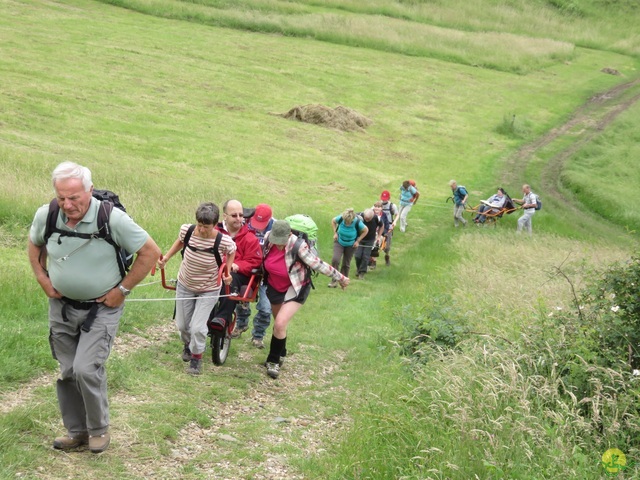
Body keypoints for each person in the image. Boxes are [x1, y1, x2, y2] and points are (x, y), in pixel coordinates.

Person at [27, 161, 161, 453]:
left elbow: (150, 252)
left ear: (90, 190)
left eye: (74, 197)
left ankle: (98, 429)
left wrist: (122, 290)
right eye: (61, 197)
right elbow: (35, 244)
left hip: (102, 308)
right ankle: (76, 432)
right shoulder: (47, 214)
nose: (67, 204)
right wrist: (42, 278)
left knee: (86, 368)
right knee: (67, 371)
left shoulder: (111, 219)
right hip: (61, 306)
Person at [262, 220, 349, 379]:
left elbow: (318, 264)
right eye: (276, 241)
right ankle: (282, 352)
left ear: (289, 235)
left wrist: (340, 277)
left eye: (282, 242)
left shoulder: (298, 246)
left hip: (295, 287)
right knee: (279, 325)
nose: (279, 245)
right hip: (274, 286)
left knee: (280, 323)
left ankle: (273, 361)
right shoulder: (268, 239)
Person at [157, 203, 236, 375]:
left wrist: (227, 272)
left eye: (205, 227)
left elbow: (232, 251)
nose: (201, 229)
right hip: (185, 284)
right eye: (199, 225)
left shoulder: (223, 240)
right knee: (184, 325)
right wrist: (167, 258)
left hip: (209, 289)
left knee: (198, 328)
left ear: (215, 225)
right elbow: (179, 242)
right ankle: (187, 344)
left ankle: (196, 358)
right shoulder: (188, 230)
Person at [209, 200, 263, 331]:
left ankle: (222, 317)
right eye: (234, 215)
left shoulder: (250, 238)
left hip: (238, 275)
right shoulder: (213, 233)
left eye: (241, 215)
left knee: (230, 277)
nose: (239, 219)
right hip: (213, 271)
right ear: (225, 216)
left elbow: (255, 261)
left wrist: (236, 265)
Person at [231, 203, 274, 349]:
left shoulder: (275, 229)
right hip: (249, 270)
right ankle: (241, 324)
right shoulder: (244, 223)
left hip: (267, 273)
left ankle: (258, 335)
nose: (258, 226)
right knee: (241, 298)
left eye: (262, 224)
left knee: (265, 307)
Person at [329, 208, 368, 288]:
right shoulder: (341, 218)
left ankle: (343, 282)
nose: (346, 223)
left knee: (346, 264)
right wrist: (335, 233)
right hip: (339, 241)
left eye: (348, 222)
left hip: (351, 245)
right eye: (345, 221)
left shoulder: (357, 222)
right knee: (335, 259)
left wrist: (358, 241)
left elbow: (365, 230)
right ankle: (334, 280)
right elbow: (333, 221)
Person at [354, 208, 383, 280]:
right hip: (359, 239)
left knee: (365, 257)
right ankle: (358, 269)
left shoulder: (377, 218)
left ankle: (362, 273)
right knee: (357, 256)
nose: (366, 220)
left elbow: (382, 226)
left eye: (368, 219)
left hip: (370, 240)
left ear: (372, 216)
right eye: (365, 219)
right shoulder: (358, 216)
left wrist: (379, 236)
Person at [379, 190, 398, 266]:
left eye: (385, 198)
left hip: (388, 227)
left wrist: (395, 221)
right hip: (379, 226)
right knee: (376, 244)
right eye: (383, 198)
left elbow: (397, 214)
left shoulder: (392, 206)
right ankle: (372, 261)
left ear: (389, 198)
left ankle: (387, 256)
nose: (384, 200)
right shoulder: (378, 205)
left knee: (387, 246)